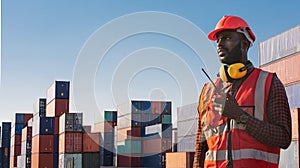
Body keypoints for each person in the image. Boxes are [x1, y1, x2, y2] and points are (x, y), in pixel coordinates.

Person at [193, 15, 291, 168]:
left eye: (226, 38)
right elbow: (201, 146)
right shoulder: (207, 91)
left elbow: (283, 138)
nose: (219, 44)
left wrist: (240, 116)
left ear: (244, 44)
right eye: (217, 40)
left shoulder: (269, 83)